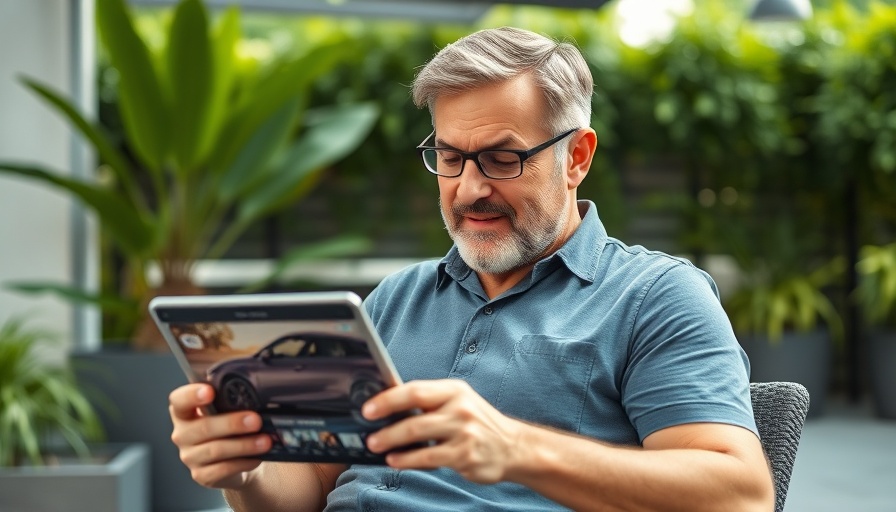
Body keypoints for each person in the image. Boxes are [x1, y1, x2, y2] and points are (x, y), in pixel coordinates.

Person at [168, 26, 774, 511]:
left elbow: (739, 495)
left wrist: (515, 448)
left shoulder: (655, 297)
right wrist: (246, 470)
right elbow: (312, 487)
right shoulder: (392, 300)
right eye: (450, 158)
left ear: (577, 157)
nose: (469, 188)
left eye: (502, 158)